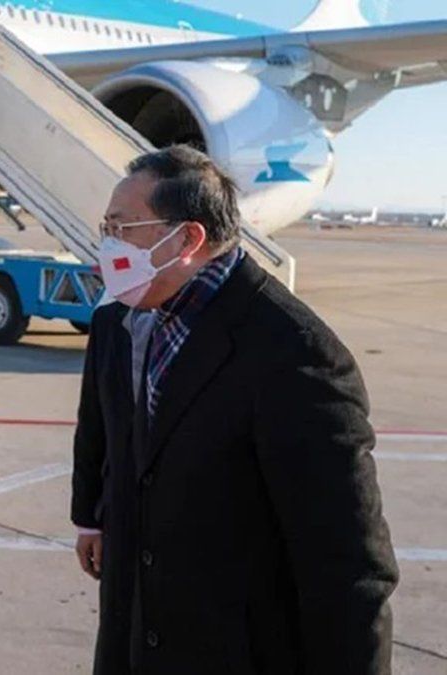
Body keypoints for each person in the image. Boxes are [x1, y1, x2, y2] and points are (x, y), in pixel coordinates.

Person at [71, 145, 398, 674]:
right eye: (106, 227)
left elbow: (348, 565)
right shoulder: (120, 320)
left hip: (233, 648)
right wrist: (90, 515)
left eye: (123, 227)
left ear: (187, 239)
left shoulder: (294, 351)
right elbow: (100, 428)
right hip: (135, 636)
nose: (109, 244)